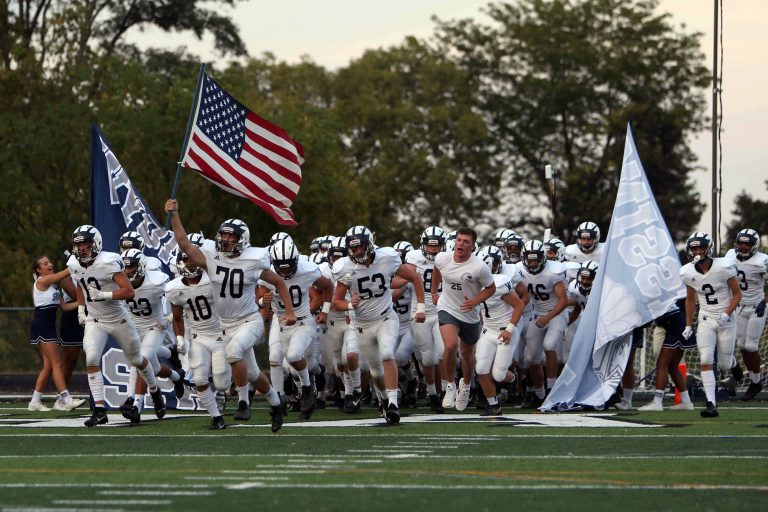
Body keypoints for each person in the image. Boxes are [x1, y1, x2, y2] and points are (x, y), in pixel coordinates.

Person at [165, 199, 291, 432]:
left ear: (242, 241)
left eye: (232, 238)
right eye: (224, 236)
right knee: (252, 372)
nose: (226, 240)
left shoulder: (253, 259)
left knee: (233, 354)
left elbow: (279, 282)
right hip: (225, 325)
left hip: (249, 320)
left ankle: (243, 401)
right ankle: (276, 402)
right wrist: (175, 214)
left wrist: (289, 311)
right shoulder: (211, 256)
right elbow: (184, 243)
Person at [68, 225, 164, 427]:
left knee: (137, 360)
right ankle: (100, 410)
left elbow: (129, 291)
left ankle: (154, 391)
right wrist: (80, 309)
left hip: (118, 318)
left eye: (86, 243)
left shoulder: (109, 261)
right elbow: (79, 283)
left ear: (96, 243)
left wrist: (105, 295)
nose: (82, 248)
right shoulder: (73, 263)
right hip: (95, 320)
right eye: (79, 244)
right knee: (92, 357)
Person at [332, 226, 427, 424]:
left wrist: (420, 307)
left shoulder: (387, 258)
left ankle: (393, 403)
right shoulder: (346, 268)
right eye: (354, 248)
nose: (357, 252)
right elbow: (336, 301)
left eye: (361, 247)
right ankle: (385, 400)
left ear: (370, 244)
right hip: (362, 325)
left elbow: (414, 277)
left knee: (387, 354)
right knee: (375, 371)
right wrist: (350, 305)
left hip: (386, 318)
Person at [259, 237, 334, 420]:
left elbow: (328, 286)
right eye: (280, 266)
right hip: (282, 323)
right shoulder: (266, 273)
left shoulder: (307, 269)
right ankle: (291, 394)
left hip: (303, 321)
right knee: (282, 361)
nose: (284, 270)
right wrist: (262, 301)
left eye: (288, 265)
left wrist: (324, 312)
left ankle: (307, 388)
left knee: (293, 356)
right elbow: (257, 298)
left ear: (295, 260)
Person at [166, 241, 231, 430]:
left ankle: (225, 387)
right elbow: (177, 318)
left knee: (221, 382)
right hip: (198, 337)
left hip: (219, 334)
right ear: (179, 263)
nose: (191, 263)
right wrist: (179, 338)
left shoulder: (213, 279)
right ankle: (216, 417)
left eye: (194, 259)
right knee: (200, 379)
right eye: (186, 260)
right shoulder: (174, 288)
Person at [431, 227, 496, 411]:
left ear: (473, 245)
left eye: (465, 241)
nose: (460, 244)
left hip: (469, 313)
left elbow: (491, 289)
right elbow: (437, 269)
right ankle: (450, 385)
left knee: (467, 355)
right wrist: (434, 292)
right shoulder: (442, 258)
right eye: (459, 240)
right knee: (450, 346)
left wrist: (475, 301)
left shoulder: (479, 267)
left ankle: (465, 386)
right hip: (448, 307)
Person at [118, 248, 185, 424]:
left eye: (130, 267)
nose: (127, 271)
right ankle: (176, 376)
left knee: (143, 359)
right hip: (134, 329)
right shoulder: (118, 282)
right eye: (124, 267)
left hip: (154, 326)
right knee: (152, 368)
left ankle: (138, 406)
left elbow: (178, 302)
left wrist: (168, 319)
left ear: (140, 266)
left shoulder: (157, 281)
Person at [680, 232, 741, 418]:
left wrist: (727, 313)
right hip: (706, 318)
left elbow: (738, 294)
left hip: (726, 319)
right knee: (705, 359)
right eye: (694, 248)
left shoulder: (723, 267)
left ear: (709, 249)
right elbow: (690, 300)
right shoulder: (687, 271)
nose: (697, 251)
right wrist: (688, 325)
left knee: (723, 363)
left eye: (701, 247)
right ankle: (711, 404)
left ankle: (733, 363)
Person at [28, 256, 85, 412]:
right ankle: (66, 400)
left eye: (50, 262)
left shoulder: (53, 286)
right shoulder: (41, 281)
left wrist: (82, 302)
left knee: (48, 366)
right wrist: (73, 266)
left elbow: (65, 307)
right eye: (45, 264)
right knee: (57, 363)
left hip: (49, 326)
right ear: (39, 270)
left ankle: (35, 401)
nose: (50, 264)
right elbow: (61, 275)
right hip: (41, 326)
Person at [516, 239, 568, 408]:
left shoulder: (554, 271)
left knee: (550, 345)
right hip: (537, 314)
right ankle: (539, 395)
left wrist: (549, 316)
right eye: (529, 260)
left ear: (542, 258)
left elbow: (563, 300)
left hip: (557, 313)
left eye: (536, 259)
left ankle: (552, 390)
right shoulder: (518, 271)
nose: (532, 263)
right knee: (531, 358)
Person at [474, 246, 524, 416]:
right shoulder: (472, 284)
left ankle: (515, 379)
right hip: (488, 331)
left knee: (498, 375)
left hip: (504, 332)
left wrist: (510, 329)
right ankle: (493, 405)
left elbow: (519, 305)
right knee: (481, 368)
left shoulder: (500, 284)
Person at [405, 226, 448, 412]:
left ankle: (447, 389)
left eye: (436, 246)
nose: (433, 250)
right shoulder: (414, 258)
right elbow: (399, 279)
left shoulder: (449, 258)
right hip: (419, 313)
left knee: (445, 351)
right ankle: (432, 394)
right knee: (429, 359)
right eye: (430, 246)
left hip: (442, 311)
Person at [725, 228, 767, 400]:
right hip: (740, 305)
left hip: (758, 305)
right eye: (741, 243)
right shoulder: (729, 256)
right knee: (742, 345)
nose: (743, 246)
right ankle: (753, 380)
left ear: (754, 245)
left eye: (747, 243)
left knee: (750, 345)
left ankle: (757, 382)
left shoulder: (762, 260)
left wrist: (765, 301)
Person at [637, 298, 696, 411]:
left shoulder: (651, 294)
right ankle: (686, 402)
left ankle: (657, 402)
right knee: (672, 367)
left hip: (676, 326)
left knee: (662, 363)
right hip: (675, 325)